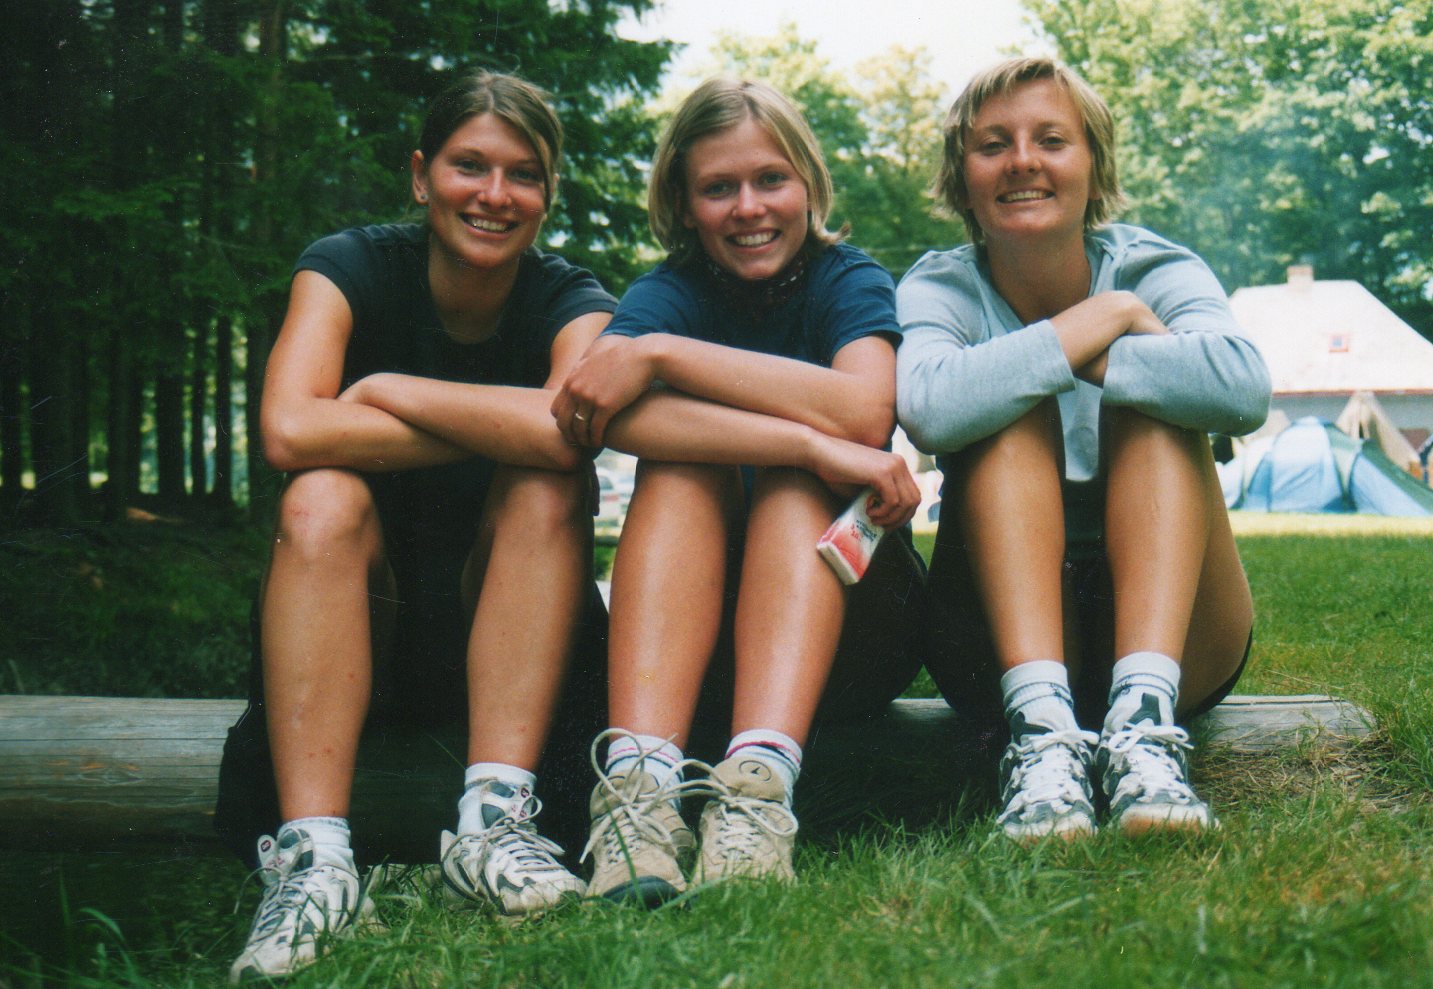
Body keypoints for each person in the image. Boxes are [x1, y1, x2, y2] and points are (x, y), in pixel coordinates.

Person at [216, 70, 617, 982]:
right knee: (320, 493)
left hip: (519, 646)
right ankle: (314, 863)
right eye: (469, 165)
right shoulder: (346, 267)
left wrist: (387, 392)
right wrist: (502, 424)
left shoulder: (573, 297)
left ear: (548, 192)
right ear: (419, 174)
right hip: (356, 625)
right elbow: (288, 429)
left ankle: (494, 826)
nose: (494, 194)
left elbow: (571, 434)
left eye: (523, 174)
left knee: (546, 485)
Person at [549, 77, 926, 904]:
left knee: (794, 486)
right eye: (718, 187)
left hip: (852, 630)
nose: (748, 207)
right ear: (683, 204)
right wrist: (804, 438)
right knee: (683, 469)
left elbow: (865, 409)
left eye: (770, 180)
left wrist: (663, 357)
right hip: (695, 647)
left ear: (808, 184)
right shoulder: (668, 292)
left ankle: (756, 798)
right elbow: (603, 409)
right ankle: (639, 798)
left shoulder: (847, 279)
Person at [895, 57, 1271, 844]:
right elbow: (927, 408)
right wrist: (1102, 323)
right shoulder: (939, 287)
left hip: (1181, 634)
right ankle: (1041, 739)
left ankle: (1143, 729)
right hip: (998, 641)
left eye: (1050, 140)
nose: (1021, 161)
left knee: (1153, 404)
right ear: (961, 178)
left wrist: (1099, 350)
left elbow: (1241, 390)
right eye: (992, 144)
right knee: (1006, 412)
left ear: (1093, 165)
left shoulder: (1152, 267)